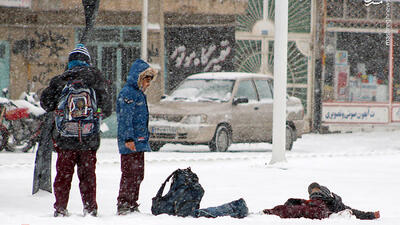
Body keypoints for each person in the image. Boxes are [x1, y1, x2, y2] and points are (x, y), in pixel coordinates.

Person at [40, 43, 112, 217]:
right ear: (87, 61)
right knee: (87, 176)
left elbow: (46, 103)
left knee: (63, 176)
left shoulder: (61, 80)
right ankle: (90, 208)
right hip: (89, 139)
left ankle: (60, 207)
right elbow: (107, 109)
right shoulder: (96, 79)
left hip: (65, 139)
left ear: (70, 62)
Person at [116, 59, 157, 215]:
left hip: (138, 141)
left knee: (138, 174)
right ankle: (124, 203)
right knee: (129, 173)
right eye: (146, 80)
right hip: (131, 142)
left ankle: (132, 202)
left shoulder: (138, 94)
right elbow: (125, 118)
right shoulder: (128, 93)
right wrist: (128, 139)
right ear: (139, 78)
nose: (148, 84)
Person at [263, 182, 380, 220]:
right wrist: (371, 215)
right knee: (295, 206)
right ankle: (275, 211)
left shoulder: (321, 196)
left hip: (323, 208)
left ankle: (273, 211)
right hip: (326, 207)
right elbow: (352, 211)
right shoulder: (333, 200)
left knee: (294, 209)